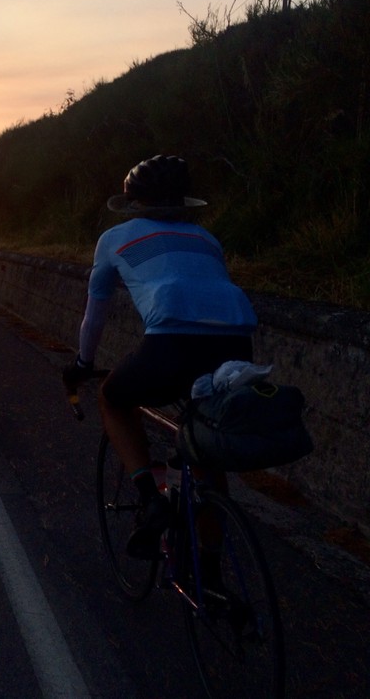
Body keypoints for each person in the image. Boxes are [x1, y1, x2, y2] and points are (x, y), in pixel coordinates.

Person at [63, 155, 257, 559]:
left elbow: (94, 316)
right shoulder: (207, 239)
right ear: (182, 202)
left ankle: (150, 499)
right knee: (202, 444)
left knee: (113, 398)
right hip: (237, 348)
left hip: (171, 345)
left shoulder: (115, 238)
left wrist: (83, 364)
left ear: (133, 203)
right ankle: (210, 570)